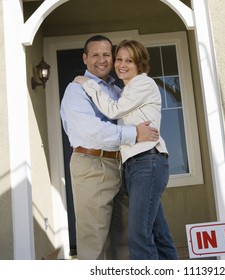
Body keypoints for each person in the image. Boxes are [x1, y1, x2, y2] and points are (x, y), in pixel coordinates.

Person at [74, 39, 178, 260]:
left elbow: (113, 111)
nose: (121, 65)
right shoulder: (127, 89)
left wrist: (88, 83)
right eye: (119, 59)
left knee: (139, 236)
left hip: (147, 162)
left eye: (129, 60)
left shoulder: (143, 84)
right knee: (159, 234)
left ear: (139, 64)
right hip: (134, 165)